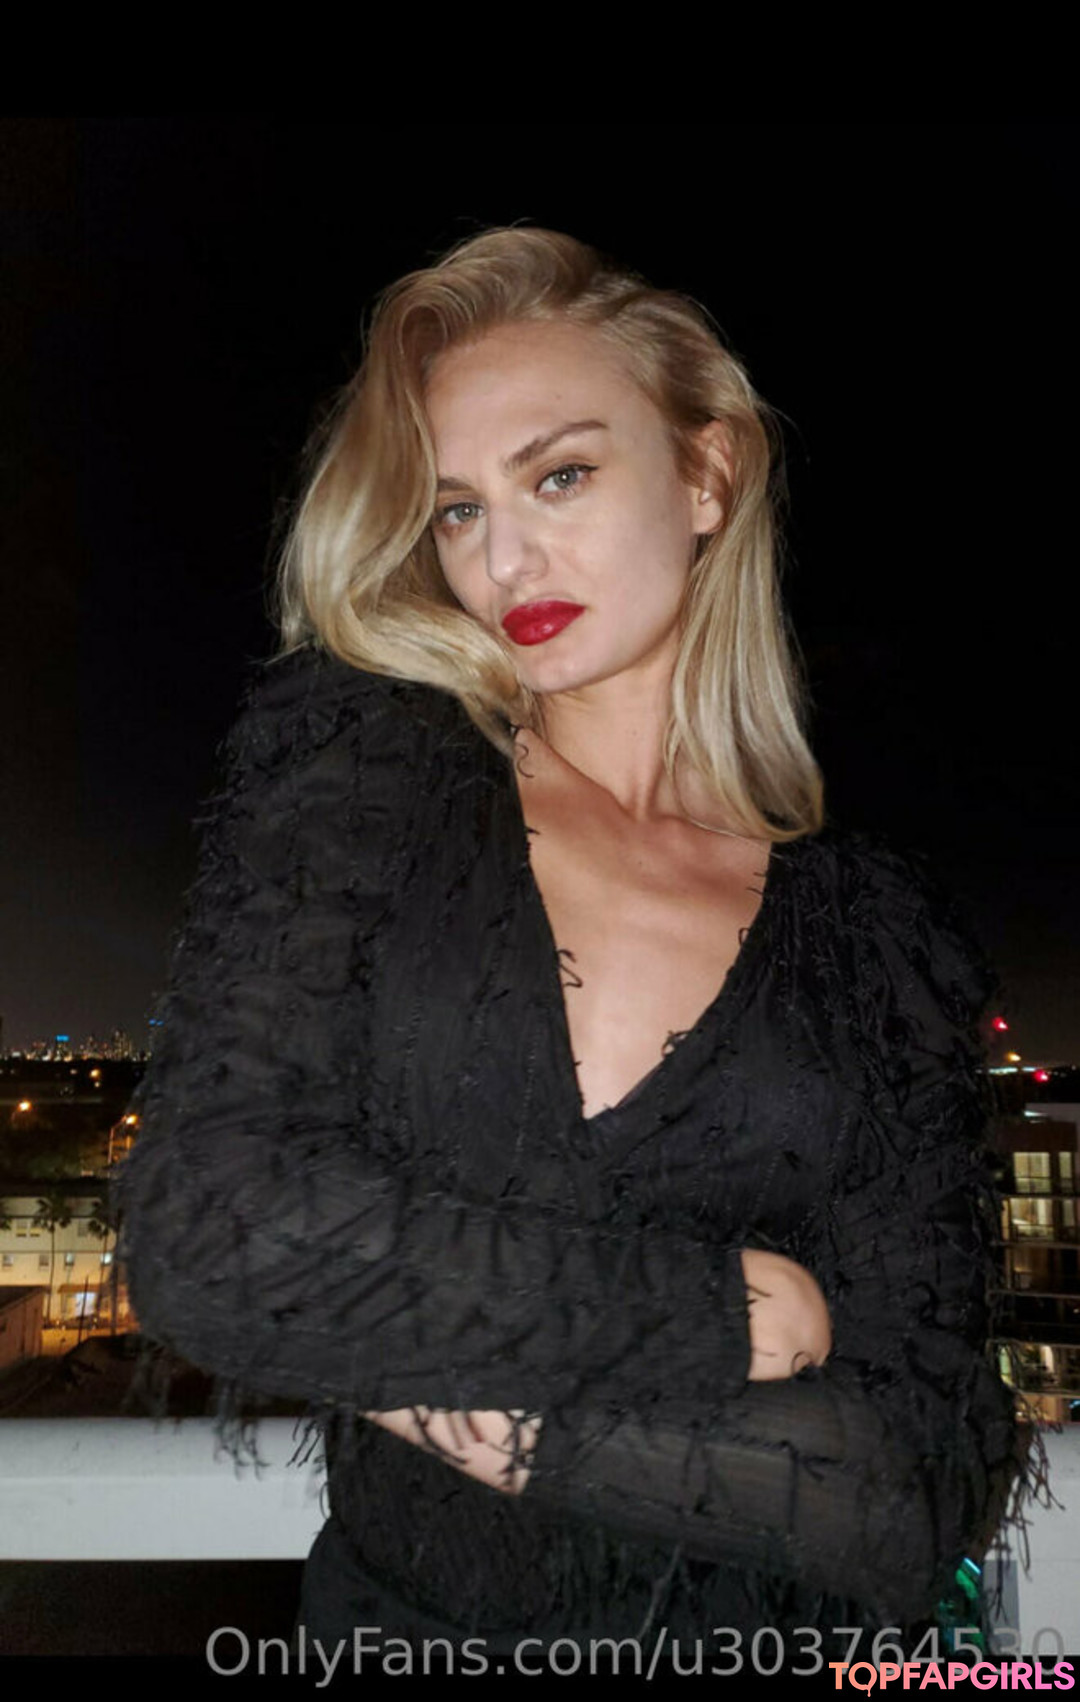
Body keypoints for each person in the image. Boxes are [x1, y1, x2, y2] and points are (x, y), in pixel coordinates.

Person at [120, 227, 1020, 1669]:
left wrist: (410, 1369)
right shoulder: (371, 774)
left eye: (559, 476)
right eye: (458, 509)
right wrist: (724, 1313)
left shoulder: (876, 932)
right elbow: (209, 1237)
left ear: (708, 473)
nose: (504, 557)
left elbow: (913, 1478)